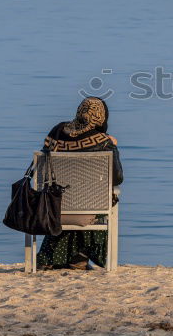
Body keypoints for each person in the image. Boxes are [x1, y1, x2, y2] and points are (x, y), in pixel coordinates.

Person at [35, 96, 124, 270]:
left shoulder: (56, 132)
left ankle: (54, 257)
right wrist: (113, 146)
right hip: (90, 205)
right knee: (99, 201)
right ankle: (79, 257)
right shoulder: (102, 141)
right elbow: (117, 178)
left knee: (76, 199)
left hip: (53, 204)